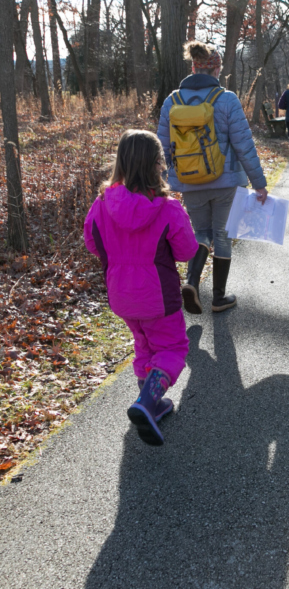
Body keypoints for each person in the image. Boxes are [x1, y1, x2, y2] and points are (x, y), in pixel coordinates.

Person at [84, 130, 199, 446]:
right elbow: (186, 251)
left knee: (144, 345)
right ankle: (147, 403)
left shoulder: (102, 204)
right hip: (158, 298)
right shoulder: (167, 208)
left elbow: (92, 242)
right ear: (157, 165)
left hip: (121, 294)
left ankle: (151, 403)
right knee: (173, 347)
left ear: (120, 162)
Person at [157, 40, 268, 315]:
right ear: (216, 70)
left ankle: (192, 282)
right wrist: (259, 183)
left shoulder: (172, 100)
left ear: (193, 68)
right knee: (223, 234)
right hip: (227, 181)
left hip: (189, 181)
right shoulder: (227, 99)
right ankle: (219, 298)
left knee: (201, 233)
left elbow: (162, 147)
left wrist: (159, 183)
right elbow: (243, 144)